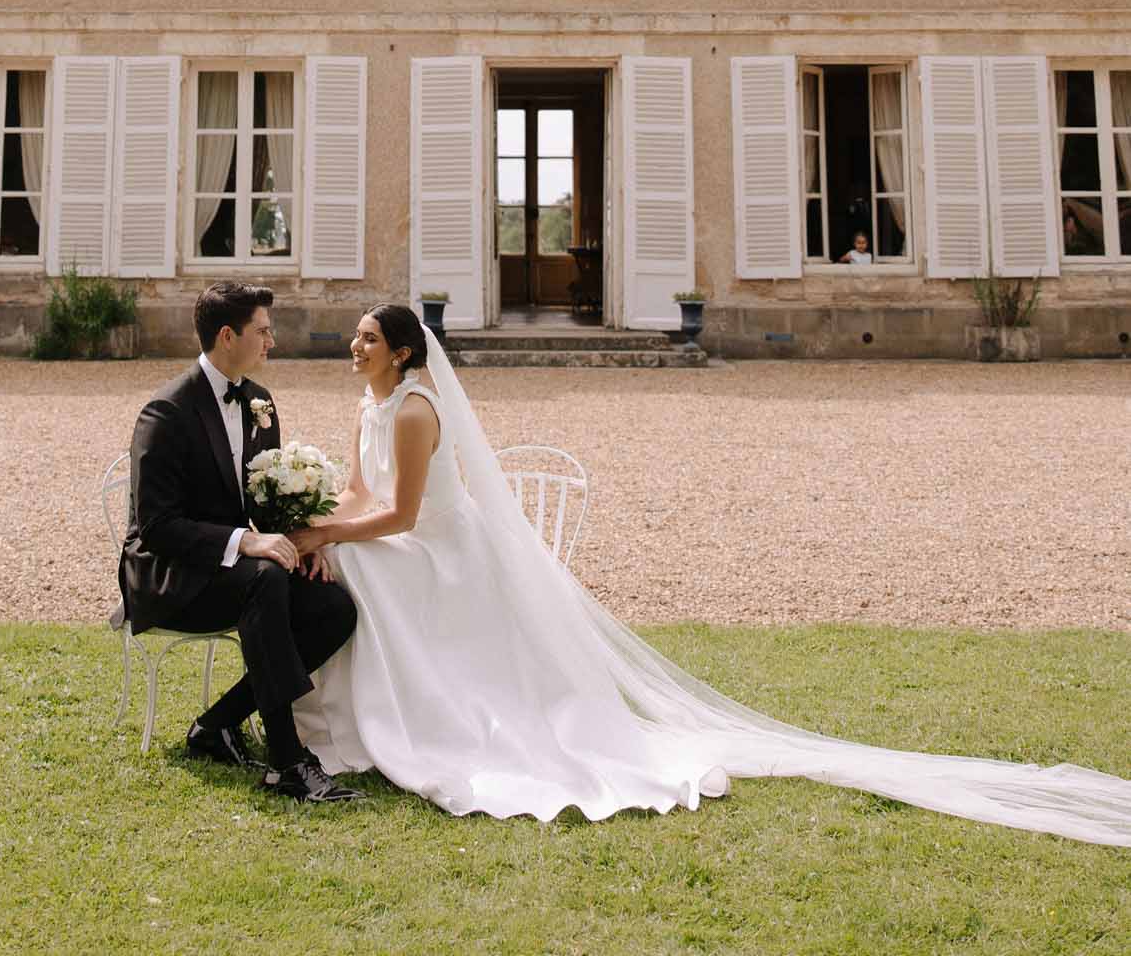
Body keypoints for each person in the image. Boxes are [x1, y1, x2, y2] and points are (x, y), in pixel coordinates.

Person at [286, 306, 1131, 844]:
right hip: (406, 537)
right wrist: (322, 524)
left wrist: (334, 532)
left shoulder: (419, 407)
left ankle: (388, 721)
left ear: (400, 352)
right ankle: (342, 717)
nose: (353, 345)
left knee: (369, 574)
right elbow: (363, 492)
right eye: (357, 338)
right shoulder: (372, 404)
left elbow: (399, 515)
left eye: (366, 338)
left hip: (441, 552)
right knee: (345, 569)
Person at [120, 280, 362, 803]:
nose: (271, 341)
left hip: (233, 569)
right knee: (266, 580)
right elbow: (156, 527)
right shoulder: (165, 412)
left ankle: (218, 724)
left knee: (333, 607)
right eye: (263, 331)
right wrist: (243, 543)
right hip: (173, 575)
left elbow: (263, 500)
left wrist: (305, 538)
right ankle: (287, 762)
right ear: (228, 336)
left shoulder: (260, 402)